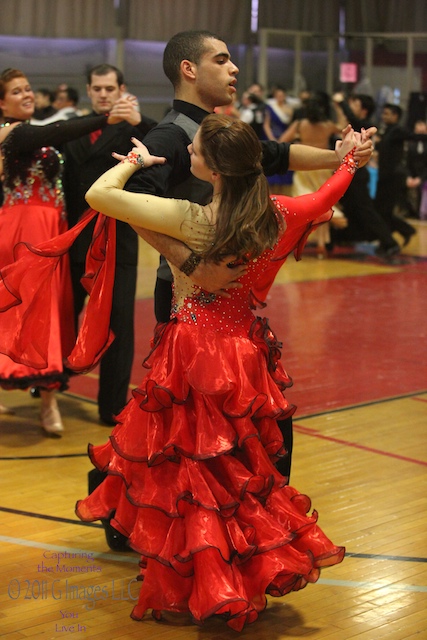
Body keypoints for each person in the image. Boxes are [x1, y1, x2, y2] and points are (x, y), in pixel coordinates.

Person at [73, 115, 359, 631]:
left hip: (194, 353)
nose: (190, 153)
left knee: (196, 475)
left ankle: (205, 583)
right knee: (240, 474)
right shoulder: (281, 213)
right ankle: (238, 576)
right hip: (246, 352)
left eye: (196, 150)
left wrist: (135, 162)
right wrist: (349, 159)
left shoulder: (190, 217)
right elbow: (330, 193)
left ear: (215, 171)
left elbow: (99, 194)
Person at [0, 67, 130, 435]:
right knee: (22, 309)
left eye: (28, 88)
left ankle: (45, 396)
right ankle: (47, 402)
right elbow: (57, 131)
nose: (26, 94)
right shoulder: (11, 132)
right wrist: (106, 116)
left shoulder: (36, 132)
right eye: (17, 91)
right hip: (22, 229)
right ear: (1, 102)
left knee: (50, 310)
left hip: (52, 229)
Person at [61, 64, 156, 427]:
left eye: (109, 88)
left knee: (119, 325)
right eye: (97, 88)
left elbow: (175, 149)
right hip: (75, 241)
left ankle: (112, 406)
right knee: (65, 314)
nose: (103, 94)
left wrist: (139, 120)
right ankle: (54, 381)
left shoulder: (137, 128)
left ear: (121, 89)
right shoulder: (76, 130)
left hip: (118, 241)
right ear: (89, 90)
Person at [331, 93, 401, 260]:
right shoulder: (351, 125)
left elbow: (352, 119)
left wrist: (341, 102)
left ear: (363, 110)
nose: (351, 105)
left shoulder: (365, 125)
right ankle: (343, 238)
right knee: (348, 207)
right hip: (346, 173)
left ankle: (390, 243)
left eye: (354, 103)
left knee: (365, 210)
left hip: (358, 175)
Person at [280, 93, 348, 257]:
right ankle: (321, 244)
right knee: (323, 203)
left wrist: (297, 143)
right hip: (323, 166)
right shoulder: (327, 125)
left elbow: (282, 140)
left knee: (304, 203)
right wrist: (338, 108)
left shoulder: (299, 124)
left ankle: (293, 242)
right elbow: (345, 127)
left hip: (304, 165)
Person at [375, 103, 416, 245]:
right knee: (381, 210)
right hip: (385, 176)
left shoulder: (398, 130)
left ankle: (391, 240)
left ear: (395, 116)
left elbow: (414, 136)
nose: (383, 116)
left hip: (393, 177)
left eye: (387, 113)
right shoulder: (386, 131)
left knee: (383, 211)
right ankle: (403, 231)